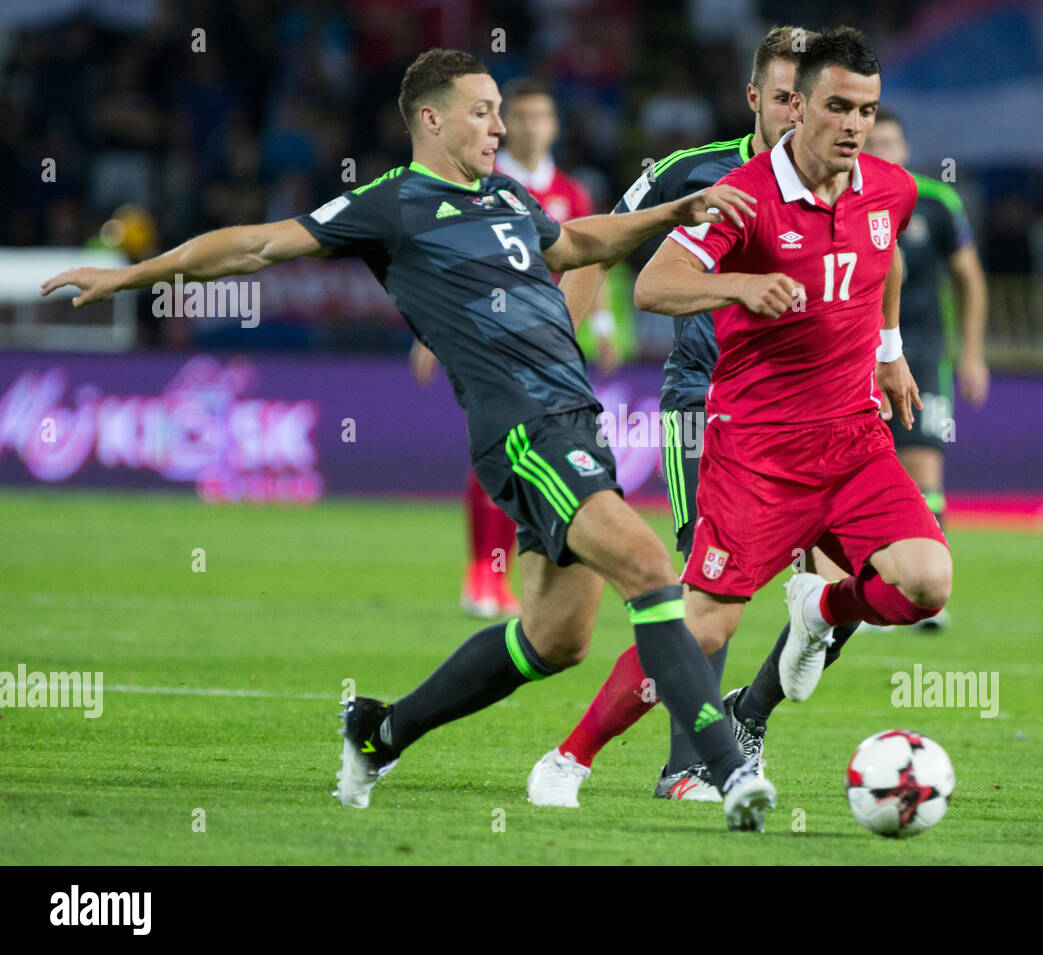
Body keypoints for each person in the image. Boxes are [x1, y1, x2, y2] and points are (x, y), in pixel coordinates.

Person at [40, 47, 777, 832]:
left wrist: (671, 213)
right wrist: (129, 276)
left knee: (555, 638)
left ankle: (380, 730)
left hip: (575, 420)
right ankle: (725, 771)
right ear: (430, 119)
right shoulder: (391, 205)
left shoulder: (506, 196)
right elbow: (254, 246)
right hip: (526, 429)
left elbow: (574, 245)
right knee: (655, 568)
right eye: (483, 111)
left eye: (501, 111)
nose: (501, 126)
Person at [533, 26, 953, 806]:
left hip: (855, 440)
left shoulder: (889, 187)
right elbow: (654, 285)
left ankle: (821, 604)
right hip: (757, 446)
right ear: (796, 110)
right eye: (838, 107)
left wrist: (890, 350)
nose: (854, 125)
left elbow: (885, 253)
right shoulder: (743, 193)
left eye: (867, 109)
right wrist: (738, 288)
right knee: (703, 626)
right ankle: (572, 757)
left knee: (927, 580)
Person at [409, 77, 617, 620]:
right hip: (489, 338)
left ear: (553, 126)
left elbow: (588, 252)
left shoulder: (572, 192)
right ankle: (484, 571)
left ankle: (521, 576)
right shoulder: (480, 185)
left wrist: (607, 325)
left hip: (554, 345)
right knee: (502, 446)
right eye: (519, 116)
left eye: (540, 117)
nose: (529, 126)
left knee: (537, 457)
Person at [863, 108, 989, 630]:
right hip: (856, 357)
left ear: (906, 149)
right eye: (875, 143)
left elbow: (970, 278)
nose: (884, 152)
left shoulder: (937, 202)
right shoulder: (845, 200)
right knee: (860, 473)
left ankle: (925, 598)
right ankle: (865, 594)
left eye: (892, 142)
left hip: (921, 352)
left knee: (924, 473)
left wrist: (972, 352)